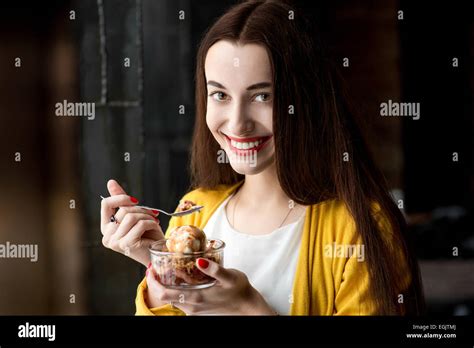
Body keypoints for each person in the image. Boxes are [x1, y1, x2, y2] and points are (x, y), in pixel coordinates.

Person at [100, 0, 425, 315]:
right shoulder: (194, 212)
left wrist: (250, 308)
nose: (238, 122)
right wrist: (161, 265)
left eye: (261, 96)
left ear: (306, 101)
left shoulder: (362, 229)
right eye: (220, 95)